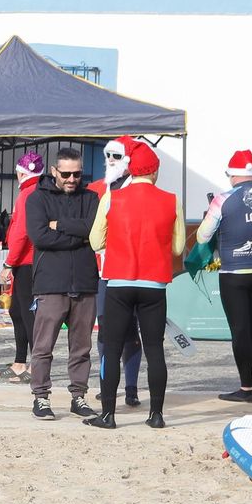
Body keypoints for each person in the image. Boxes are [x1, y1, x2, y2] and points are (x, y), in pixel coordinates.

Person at [87, 141, 183, 429]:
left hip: (118, 282)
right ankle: (156, 414)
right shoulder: (171, 199)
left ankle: (108, 414)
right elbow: (178, 247)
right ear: (154, 172)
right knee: (154, 349)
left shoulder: (112, 198)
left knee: (112, 348)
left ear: (130, 168)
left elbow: (95, 242)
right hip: (154, 285)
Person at [24, 147, 101, 421]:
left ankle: (79, 396)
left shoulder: (92, 198)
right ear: (54, 171)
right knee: (43, 346)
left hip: (85, 282)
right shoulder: (36, 199)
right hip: (50, 283)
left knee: (81, 347)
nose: (71, 179)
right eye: (66, 173)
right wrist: (78, 234)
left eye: (77, 174)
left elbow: (96, 232)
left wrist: (60, 225)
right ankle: (41, 398)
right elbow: (40, 237)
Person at [198, 149, 252, 402]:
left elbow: (202, 236)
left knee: (240, 329)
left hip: (234, 271)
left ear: (232, 175)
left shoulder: (222, 200)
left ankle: (246, 389)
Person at [90, 139, 142, 407]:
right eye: (107, 154)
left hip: (131, 272)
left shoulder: (138, 189)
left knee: (131, 333)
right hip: (102, 273)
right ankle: (106, 384)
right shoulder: (96, 189)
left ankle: (131, 388)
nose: (110, 159)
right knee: (104, 333)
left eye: (116, 155)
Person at [0, 150, 43, 382]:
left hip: (26, 261)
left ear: (20, 172)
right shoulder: (35, 190)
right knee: (17, 311)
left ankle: (36, 367)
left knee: (28, 313)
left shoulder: (27, 194)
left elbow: (22, 232)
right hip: (27, 260)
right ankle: (19, 361)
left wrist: (9, 262)